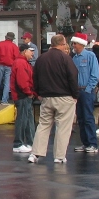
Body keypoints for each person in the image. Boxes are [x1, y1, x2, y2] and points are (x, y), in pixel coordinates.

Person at [27, 34, 80, 164]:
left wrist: (38, 93)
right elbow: (73, 77)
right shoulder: (66, 59)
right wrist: (75, 95)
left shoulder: (41, 59)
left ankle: (35, 153)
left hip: (46, 97)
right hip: (64, 97)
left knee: (43, 125)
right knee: (63, 127)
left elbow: (35, 77)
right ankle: (59, 156)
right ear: (62, 44)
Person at [70, 33, 99, 154]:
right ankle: (85, 143)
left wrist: (88, 89)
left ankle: (92, 144)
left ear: (81, 44)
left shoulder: (90, 56)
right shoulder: (74, 58)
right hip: (78, 91)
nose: (73, 46)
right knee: (80, 118)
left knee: (88, 118)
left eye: (75, 43)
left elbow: (95, 74)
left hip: (87, 91)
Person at [10, 43, 37, 153]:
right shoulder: (21, 63)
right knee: (23, 119)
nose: (33, 53)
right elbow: (22, 81)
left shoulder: (23, 62)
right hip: (23, 96)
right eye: (31, 51)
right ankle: (18, 143)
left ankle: (31, 142)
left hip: (24, 95)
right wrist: (29, 92)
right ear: (24, 51)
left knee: (27, 119)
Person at [0, 31, 19, 105]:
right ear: (12, 39)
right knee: (7, 83)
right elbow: (17, 57)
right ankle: (4, 100)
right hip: (10, 66)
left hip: (0, 65)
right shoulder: (14, 46)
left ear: (6, 37)